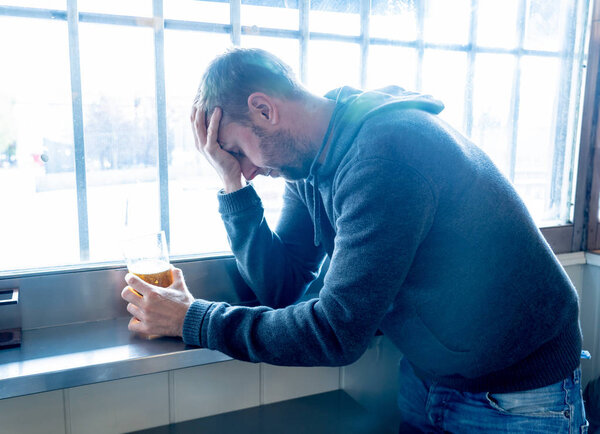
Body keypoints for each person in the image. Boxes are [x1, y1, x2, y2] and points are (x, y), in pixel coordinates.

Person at [121, 48, 588, 433]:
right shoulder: (310, 164)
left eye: (238, 151)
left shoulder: (386, 156)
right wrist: (232, 186)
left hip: (519, 394)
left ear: (265, 109)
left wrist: (194, 320)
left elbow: (336, 333)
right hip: (431, 378)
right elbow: (285, 290)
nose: (247, 169)